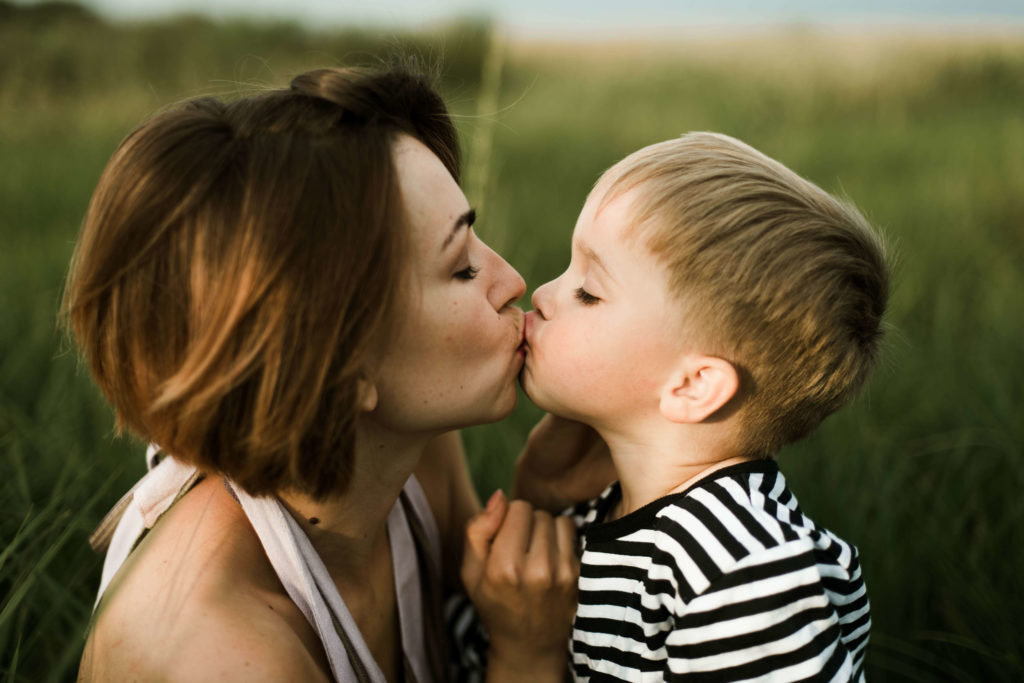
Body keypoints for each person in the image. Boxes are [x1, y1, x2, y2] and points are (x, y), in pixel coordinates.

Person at [64, 65, 592, 682]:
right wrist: (527, 660)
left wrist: (549, 498)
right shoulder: (224, 658)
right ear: (339, 366)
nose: (513, 281)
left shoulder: (413, 455)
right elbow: (517, 638)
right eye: (461, 269)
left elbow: (496, 598)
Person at [518, 132, 887, 680]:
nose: (543, 294)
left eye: (588, 292)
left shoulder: (744, 573)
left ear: (692, 385)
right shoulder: (607, 512)